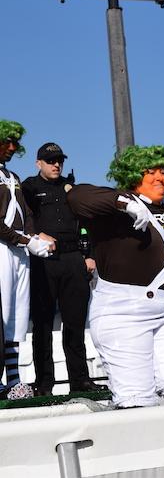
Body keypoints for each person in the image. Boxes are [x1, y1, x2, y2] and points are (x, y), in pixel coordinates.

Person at [67, 145, 164, 407]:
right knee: (138, 403)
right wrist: (123, 203)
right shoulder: (112, 206)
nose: (160, 177)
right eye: (151, 172)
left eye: (163, 171)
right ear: (132, 175)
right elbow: (76, 197)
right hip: (122, 314)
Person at [21, 143, 105, 396]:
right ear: (38, 164)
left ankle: (80, 381)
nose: (56, 165)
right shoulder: (29, 187)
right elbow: (21, 217)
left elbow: (86, 222)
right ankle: (44, 384)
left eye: (59, 160)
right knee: (43, 325)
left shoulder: (72, 188)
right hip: (43, 261)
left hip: (72, 259)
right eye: (50, 161)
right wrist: (35, 233)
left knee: (75, 323)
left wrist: (89, 255)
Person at [0, 121, 54, 400]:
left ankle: (14, 380)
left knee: (16, 317)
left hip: (18, 252)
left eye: (14, 143)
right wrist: (25, 240)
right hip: (1, 248)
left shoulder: (13, 176)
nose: (12, 148)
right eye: (6, 142)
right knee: (2, 312)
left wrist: (33, 238)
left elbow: (26, 215)